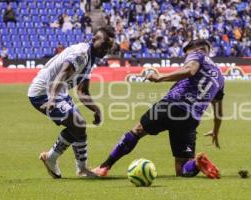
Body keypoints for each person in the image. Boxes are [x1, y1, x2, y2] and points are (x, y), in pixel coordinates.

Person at [92, 39, 224, 179]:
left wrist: (160, 77)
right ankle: (197, 164)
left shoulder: (197, 55)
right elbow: (218, 109)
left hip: (172, 104)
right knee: (182, 169)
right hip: (191, 118)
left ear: (196, 49)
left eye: (187, 54)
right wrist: (216, 130)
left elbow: (189, 70)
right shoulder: (220, 77)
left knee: (137, 131)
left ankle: (104, 167)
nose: (186, 58)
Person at [28, 26, 115, 179]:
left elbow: (82, 91)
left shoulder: (90, 59)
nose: (106, 50)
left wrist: (96, 109)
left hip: (59, 92)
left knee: (79, 128)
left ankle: (52, 159)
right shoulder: (81, 54)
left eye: (109, 47)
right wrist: (53, 99)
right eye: (104, 45)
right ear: (94, 40)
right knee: (79, 124)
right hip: (43, 93)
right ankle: (80, 169)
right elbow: (62, 74)